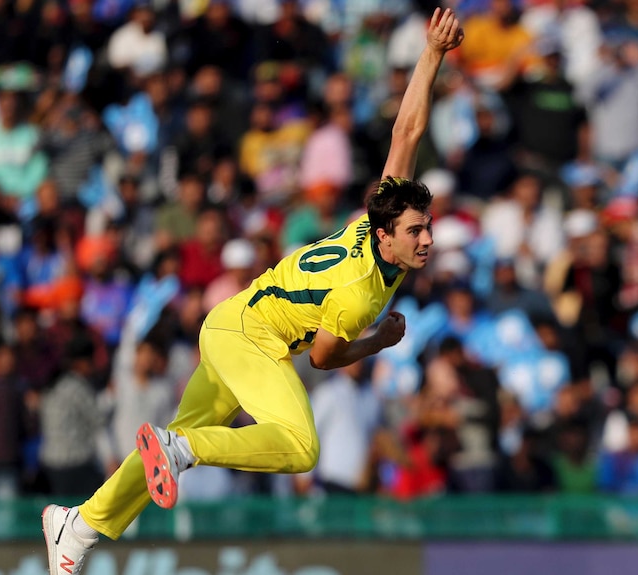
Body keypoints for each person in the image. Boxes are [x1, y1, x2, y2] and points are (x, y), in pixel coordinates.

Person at [41, 8, 464, 574]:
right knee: (299, 446)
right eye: (417, 231)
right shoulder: (360, 291)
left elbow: (406, 130)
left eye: (428, 227)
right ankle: (182, 451)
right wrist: (376, 344)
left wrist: (433, 53)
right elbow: (322, 356)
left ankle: (80, 526)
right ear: (386, 233)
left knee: (174, 443)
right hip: (249, 340)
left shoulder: (379, 217)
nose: (428, 239)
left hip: (229, 325)